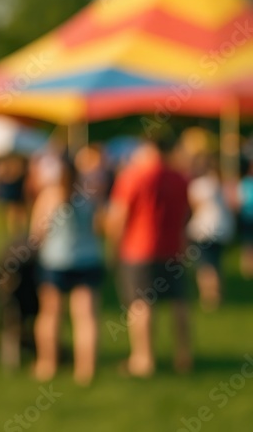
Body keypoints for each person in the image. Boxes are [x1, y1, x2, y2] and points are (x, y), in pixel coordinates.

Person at [106, 132, 191, 376]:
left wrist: (114, 247)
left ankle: (144, 359)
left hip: (138, 250)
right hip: (173, 248)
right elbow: (185, 213)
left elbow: (118, 216)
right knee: (179, 304)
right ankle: (184, 356)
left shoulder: (133, 176)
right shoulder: (179, 177)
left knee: (141, 305)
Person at [31, 157, 103, 385]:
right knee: (86, 318)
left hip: (56, 262)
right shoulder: (89, 195)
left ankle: (47, 365)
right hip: (87, 260)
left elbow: (36, 233)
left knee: (50, 316)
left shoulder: (49, 196)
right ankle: (86, 370)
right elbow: (98, 227)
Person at [187, 157, 234, 311]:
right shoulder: (219, 184)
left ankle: (209, 298)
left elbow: (195, 207)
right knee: (216, 263)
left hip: (204, 230)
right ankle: (219, 295)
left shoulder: (198, 185)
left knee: (205, 266)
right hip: (222, 229)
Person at [236, 159, 253, 279]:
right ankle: (248, 270)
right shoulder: (244, 183)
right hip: (247, 218)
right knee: (247, 244)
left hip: (247, 216)